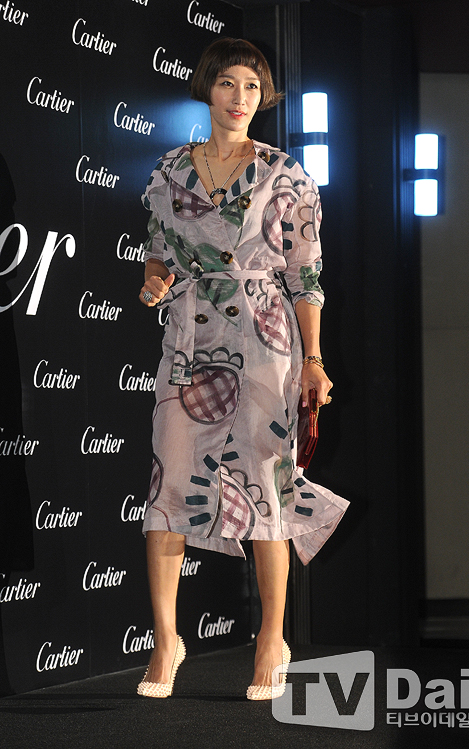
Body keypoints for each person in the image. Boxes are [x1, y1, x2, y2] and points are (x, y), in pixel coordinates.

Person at [136, 37, 349, 700]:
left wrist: (313, 359)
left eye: (253, 87)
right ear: (208, 87)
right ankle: (166, 640)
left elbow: (305, 274)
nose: (240, 98)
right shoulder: (170, 170)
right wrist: (154, 279)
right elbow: (158, 250)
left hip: (265, 339)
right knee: (169, 483)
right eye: (229, 83)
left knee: (265, 488)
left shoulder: (285, 172)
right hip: (190, 339)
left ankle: (271, 638)